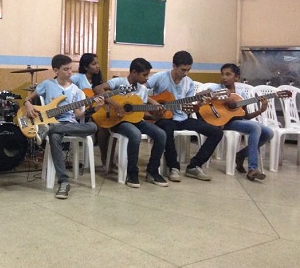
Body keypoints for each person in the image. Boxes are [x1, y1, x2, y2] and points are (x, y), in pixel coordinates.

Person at [24, 54, 103, 199]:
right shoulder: (47, 84)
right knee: (54, 137)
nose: (70, 72)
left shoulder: (76, 90)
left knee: (92, 127)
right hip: (52, 122)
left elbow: (78, 115)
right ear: (56, 70)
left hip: (69, 124)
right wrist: (28, 104)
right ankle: (64, 181)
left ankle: (48, 130)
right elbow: (28, 98)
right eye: (66, 69)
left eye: (71, 69)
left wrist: (94, 108)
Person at [147, 50, 223, 182]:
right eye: (183, 70)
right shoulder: (160, 77)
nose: (186, 73)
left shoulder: (189, 82)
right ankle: (173, 167)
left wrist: (197, 105)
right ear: (174, 66)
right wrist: (153, 102)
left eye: (188, 70)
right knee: (167, 129)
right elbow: (140, 90)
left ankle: (194, 166)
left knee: (216, 132)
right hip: (163, 117)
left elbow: (187, 108)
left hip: (182, 118)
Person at [94, 58, 168, 187]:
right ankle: (132, 172)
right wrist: (116, 105)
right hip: (118, 121)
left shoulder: (142, 90)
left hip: (137, 121)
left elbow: (140, 113)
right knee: (135, 134)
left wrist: (155, 115)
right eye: (144, 75)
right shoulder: (119, 82)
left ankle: (152, 171)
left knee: (161, 134)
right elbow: (98, 89)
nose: (147, 78)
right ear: (134, 72)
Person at [208, 63, 273, 181]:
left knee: (269, 133)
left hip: (238, 121)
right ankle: (253, 169)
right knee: (255, 128)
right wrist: (219, 97)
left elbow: (245, 116)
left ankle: (241, 155)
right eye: (222, 74)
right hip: (222, 122)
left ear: (237, 77)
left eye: (228, 74)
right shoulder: (215, 88)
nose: (224, 77)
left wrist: (261, 110)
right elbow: (201, 96)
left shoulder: (241, 93)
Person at [70, 53, 113, 172]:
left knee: (108, 122)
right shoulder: (78, 78)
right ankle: (105, 159)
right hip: (80, 113)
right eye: (94, 64)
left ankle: (107, 160)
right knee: (101, 124)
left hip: (94, 110)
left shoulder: (98, 81)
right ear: (85, 67)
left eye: (97, 63)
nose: (97, 66)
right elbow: (63, 86)